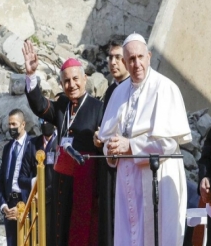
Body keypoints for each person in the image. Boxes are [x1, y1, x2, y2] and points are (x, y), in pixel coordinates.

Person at [98, 33, 192, 246]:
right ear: (124, 62)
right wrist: (111, 150)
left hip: (157, 180)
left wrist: (130, 146)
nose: (137, 63)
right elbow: (106, 141)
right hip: (127, 182)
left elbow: (168, 143)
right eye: (131, 59)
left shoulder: (165, 88)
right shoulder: (118, 92)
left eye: (140, 57)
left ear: (149, 56)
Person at [22, 40, 103, 246]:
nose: (72, 85)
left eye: (76, 79)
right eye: (66, 81)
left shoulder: (98, 108)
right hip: (61, 182)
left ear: (85, 79)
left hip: (84, 184)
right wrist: (31, 75)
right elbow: (40, 106)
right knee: (59, 232)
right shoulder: (62, 105)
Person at [94, 37, 130, 246]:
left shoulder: (132, 88)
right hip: (108, 165)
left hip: (125, 165)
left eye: (119, 57)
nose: (113, 62)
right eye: (111, 57)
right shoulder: (110, 90)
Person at [18, 119, 56, 245]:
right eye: (42, 120)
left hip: (57, 201)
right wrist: (36, 183)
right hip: (37, 204)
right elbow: (21, 179)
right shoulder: (33, 144)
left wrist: (46, 193)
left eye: (48, 120)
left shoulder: (61, 142)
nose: (45, 123)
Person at [0, 109, 31, 246]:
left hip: (26, 204)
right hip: (10, 207)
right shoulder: (7, 148)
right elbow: (1, 180)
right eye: (9, 124)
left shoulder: (33, 145)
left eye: (14, 124)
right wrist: (3, 204)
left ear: (23, 124)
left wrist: (25, 207)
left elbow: (37, 181)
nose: (11, 127)